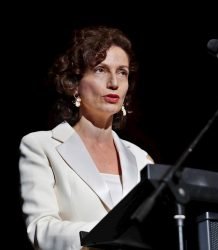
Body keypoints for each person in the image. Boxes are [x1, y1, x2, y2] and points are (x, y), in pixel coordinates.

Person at [18, 25, 154, 250]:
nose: (114, 82)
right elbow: (40, 228)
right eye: (101, 69)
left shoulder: (142, 160)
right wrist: (106, 235)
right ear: (74, 84)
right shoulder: (41, 146)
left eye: (122, 72)